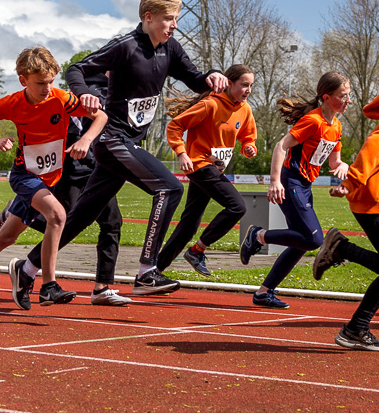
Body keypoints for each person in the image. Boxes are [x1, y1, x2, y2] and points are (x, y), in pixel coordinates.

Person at [9, 0, 228, 309]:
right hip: (113, 140)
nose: (174, 25)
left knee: (83, 214)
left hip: (129, 143)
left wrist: (213, 76)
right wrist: (83, 93)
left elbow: (195, 79)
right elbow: (77, 69)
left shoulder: (171, 49)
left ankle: (26, 270)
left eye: (176, 19)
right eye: (168, 19)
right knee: (169, 189)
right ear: (148, 17)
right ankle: (146, 271)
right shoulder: (125, 47)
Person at [0, 46, 107, 310]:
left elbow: (100, 115)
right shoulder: (13, 103)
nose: (47, 88)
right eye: (40, 83)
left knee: (5, 238)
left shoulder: (61, 99)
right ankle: (49, 286)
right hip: (25, 176)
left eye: (51, 81)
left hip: (48, 179)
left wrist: (86, 140)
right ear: (23, 80)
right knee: (57, 215)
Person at [0, 72, 128, 306]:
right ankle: (19, 222)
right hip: (69, 169)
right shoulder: (85, 87)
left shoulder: (121, 93)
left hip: (96, 169)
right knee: (67, 222)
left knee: (112, 223)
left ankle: (101, 287)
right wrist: (82, 139)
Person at [241, 72, 350, 308]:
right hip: (291, 182)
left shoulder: (336, 125)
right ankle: (258, 235)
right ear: (327, 97)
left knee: (301, 242)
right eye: (343, 96)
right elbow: (281, 146)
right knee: (314, 239)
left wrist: (342, 165)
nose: (348, 100)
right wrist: (274, 181)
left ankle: (263, 292)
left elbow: (334, 162)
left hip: (304, 186)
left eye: (349, 95)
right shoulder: (313, 120)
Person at [156, 64, 257, 277]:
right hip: (199, 164)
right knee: (237, 207)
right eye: (244, 85)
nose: (248, 90)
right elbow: (175, 126)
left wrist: (249, 147)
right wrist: (181, 152)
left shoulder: (244, 108)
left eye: (251, 86)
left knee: (190, 224)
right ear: (229, 83)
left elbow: (248, 135)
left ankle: (155, 269)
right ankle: (197, 250)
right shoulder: (209, 105)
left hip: (214, 168)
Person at [313, 94, 379, 351]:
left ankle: (356, 329)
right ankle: (355, 329)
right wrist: (347, 184)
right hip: (370, 206)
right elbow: (364, 161)